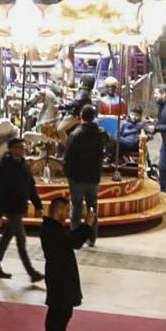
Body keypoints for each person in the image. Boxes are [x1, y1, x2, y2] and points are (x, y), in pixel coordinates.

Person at [40, 196, 94, 331]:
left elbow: (69, 239)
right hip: (60, 276)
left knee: (57, 311)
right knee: (61, 313)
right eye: (67, 210)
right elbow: (74, 242)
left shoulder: (51, 227)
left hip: (58, 274)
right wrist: (87, 225)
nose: (69, 213)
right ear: (58, 210)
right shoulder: (52, 229)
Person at [0, 138, 45, 282]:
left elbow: (30, 187)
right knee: (21, 239)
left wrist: (38, 205)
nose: (22, 150)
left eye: (23, 147)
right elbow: (0, 191)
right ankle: (31, 272)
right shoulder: (5, 167)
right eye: (19, 147)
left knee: (7, 236)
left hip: (20, 206)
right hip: (11, 207)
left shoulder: (24, 165)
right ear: (12, 149)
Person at [63, 105, 105, 246]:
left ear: (81, 116)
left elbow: (67, 156)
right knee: (92, 207)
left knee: (76, 207)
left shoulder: (75, 134)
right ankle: (92, 237)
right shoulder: (100, 133)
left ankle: (76, 238)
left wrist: (67, 173)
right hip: (93, 176)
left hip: (76, 177)